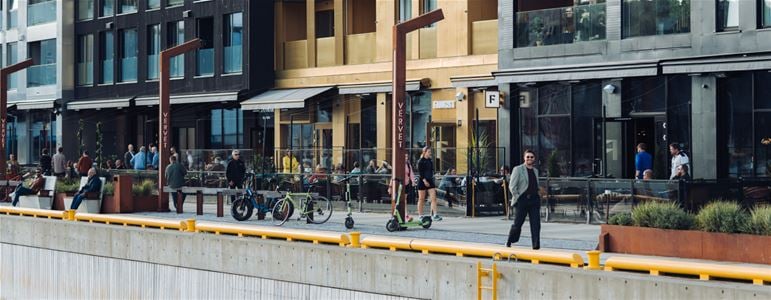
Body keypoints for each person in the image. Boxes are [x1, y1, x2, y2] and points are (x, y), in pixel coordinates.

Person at [506, 149, 541, 250]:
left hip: (534, 200)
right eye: (528, 157)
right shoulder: (518, 169)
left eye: (531, 157)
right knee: (518, 223)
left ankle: (536, 245)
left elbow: (535, 184)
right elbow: (512, 186)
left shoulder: (535, 171)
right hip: (522, 200)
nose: (529, 158)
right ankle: (510, 240)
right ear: (524, 158)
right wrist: (517, 197)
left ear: (534, 159)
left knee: (536, 224)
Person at [417, 147, 441, 221]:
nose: (430, 153)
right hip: (422, 181)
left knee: (433, 198)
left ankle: (434, 214)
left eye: (430, 152)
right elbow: (420, 172)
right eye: (429, 151)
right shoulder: (420, 161)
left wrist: (434, 176)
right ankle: (420, 215)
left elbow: (431, 171)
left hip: (430, 181)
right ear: (424, 152)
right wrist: (424, 181)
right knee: (421, 199)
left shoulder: (430, 161)